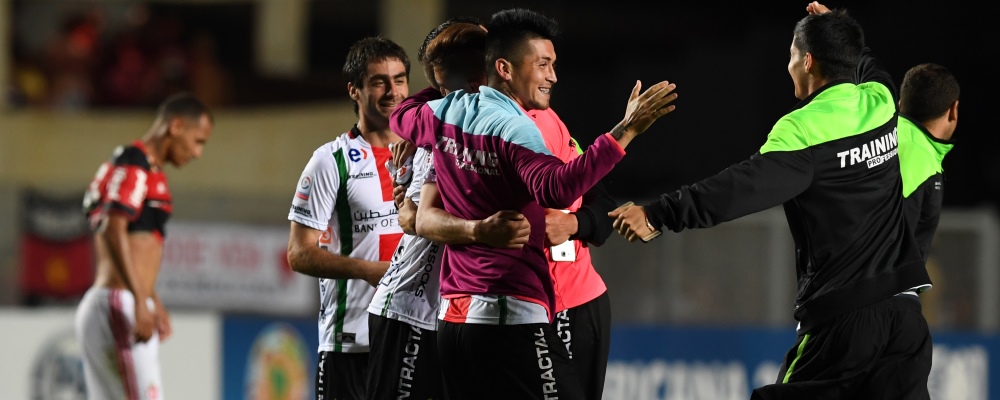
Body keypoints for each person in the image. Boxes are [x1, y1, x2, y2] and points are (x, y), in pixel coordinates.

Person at [611, 2, 931, 399]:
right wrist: (840, 31)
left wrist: (659, 214)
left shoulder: (803, 129)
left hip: (845, 324)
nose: (789, 64)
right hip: (907, 318)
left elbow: (739, 188)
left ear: (808, 61)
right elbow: (869, 64)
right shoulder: (881, 101)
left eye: (792, 54)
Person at [390, 8, 678, 399]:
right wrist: (625, 131)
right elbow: (557, 188)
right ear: (504, 69)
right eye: (543, 64)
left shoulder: (443, 113)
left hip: (454, 318)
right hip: (509, 312)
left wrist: (454, 79)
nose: (553, 76)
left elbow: (401, 117)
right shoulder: (516, 127)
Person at [364, 20, 530, 400]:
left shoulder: (507, 125)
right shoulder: (443, 128)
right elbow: (413, 218)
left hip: (454, 314)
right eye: (441, 87)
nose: (446, 97)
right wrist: (479, 230)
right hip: (410, 309)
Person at [286, 36, 409, 400]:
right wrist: (369, 270)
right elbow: (298, 253)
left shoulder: (426, 156)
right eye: (378, 82)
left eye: (399, 79)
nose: (392, 91)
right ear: (354, 90)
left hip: (411, 340)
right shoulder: (330, 161)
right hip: (351, 342)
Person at [76, 93, 213, 400]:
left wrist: (152, 298)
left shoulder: (139, 167)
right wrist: (139, 299)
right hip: (118, 301)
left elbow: (130, 237)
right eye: (198, 141)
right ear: (176, 126)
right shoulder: (134, 162)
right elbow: (112, 229)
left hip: (122, 299)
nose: (197, 153)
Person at [897, 63, 959, 261]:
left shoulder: (877, 137)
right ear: (953, 110)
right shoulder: (919, 159)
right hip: (876, 289)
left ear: (900, 105)